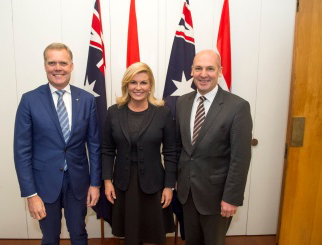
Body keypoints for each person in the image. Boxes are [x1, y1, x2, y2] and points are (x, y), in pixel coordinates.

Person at [14, 43, 101, 245]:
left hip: (78, 182)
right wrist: (30, 194)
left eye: (63, 63)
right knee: (50, 237)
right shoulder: (30, 100)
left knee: (79, 233)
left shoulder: (87, 100)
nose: (57, 68)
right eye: (52, 63)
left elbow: (94, 146)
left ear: (71, 66)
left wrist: (95, 183)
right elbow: (21, 152)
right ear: (45, 66)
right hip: (44, 184)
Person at [176, 50, 252, 245]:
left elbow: (240, 158)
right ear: (191, 71)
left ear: (220, 71)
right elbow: (180, 148)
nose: (204, 74)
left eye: (210, 68)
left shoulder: (238, 107)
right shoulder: (182, 102)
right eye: (199, 68)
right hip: (187, 194)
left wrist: (231, 198)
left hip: (217, 198)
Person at [102, 62, 176, 245]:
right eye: (133, 82)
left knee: (153, 235)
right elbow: (107, 150)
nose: (138, 87)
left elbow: (171, 152)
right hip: (123, 185)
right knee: (130, 235)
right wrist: (107, 181)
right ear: (126, 84)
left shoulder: (163, 113)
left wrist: (169, 186)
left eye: (143, 82)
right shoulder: (113, 112)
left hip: (154, 185)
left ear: (150, 85)